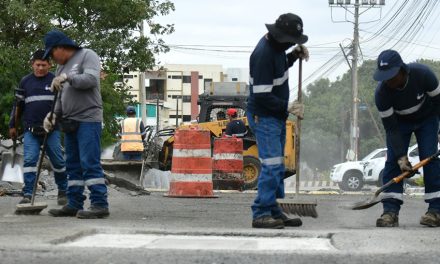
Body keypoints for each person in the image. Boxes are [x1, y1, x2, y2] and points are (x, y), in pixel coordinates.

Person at [247, 13, 309, 229]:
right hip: (264, 116)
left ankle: (274, 209)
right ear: (281, 37)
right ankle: (261, 213)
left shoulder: (277, 48)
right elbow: (262, 96)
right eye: (292, 41)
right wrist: (288, 107)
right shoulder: (263, 54)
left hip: (275, 116)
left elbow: (279, 70)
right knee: (272, 166)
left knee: (278, 166)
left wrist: (293, 56)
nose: (293, 43)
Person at [42, 29, 109, 219]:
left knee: (89, 162)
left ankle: (99, 204)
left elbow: (90, 80)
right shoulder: (60, 68)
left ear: (60, 48)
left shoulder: (87, 55)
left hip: (88, 119)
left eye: (52, 54)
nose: (52, 59)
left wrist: (68, 78)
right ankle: (74, 203)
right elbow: (62, 97)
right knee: (72, 165)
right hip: (69, 121)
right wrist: (52, 115)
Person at [374, 49, 440, 227]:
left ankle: (435, 211)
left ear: (403, 70)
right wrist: (401, 157)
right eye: (384, 77)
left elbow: (439, 102)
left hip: (428, 119)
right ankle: (390, 212)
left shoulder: (423, 75)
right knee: (393, 163)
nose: (388, 80)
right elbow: (391, 128)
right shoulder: (381, 94)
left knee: (430, 158)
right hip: (399, 124)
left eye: (392, 75)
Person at [9, 49, 67, 206]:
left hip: (52, 131)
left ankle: (63, 191)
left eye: (44, 65)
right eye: (37, 65)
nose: (40, 68)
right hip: (31, 131)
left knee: (58, 162)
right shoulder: (25, 82)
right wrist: (13, 125)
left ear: (50, 64)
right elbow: (18, 105)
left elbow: (63, 103)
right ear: (32, 64)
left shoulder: (55, 80)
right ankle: (27, 194)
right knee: (29, 161)